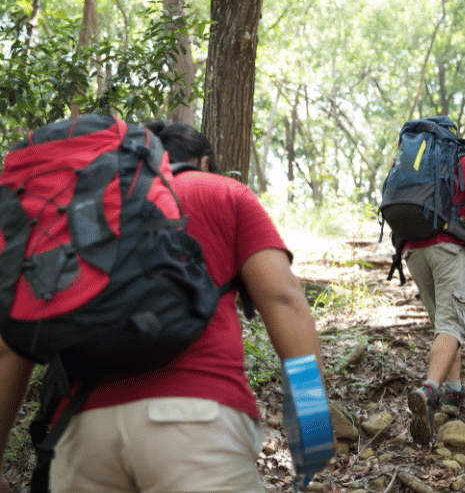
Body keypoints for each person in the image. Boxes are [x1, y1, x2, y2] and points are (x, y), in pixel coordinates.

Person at [0, 121, 323, 492]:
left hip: (80, 433)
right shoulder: (224, 192)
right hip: (194, 418)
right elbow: (284, 298)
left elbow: (12, 344)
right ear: (204, 163)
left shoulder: (79, 209)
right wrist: (312, 422)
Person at [403, 135, 465, 446]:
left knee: (445, 324)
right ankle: (429, 389)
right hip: (451, 249)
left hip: (414, 251)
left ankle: (452, 393)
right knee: (452, 324)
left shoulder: (425, 166)